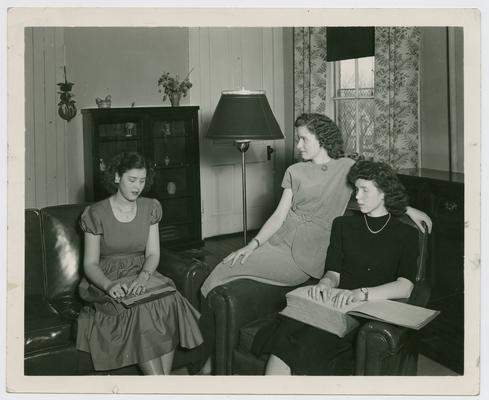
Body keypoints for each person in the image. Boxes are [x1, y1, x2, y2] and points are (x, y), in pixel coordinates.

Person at [198, 113, 431, 372]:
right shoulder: (294, 171)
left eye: (303, 139)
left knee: (222, 271)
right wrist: (252, 245)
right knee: (222, 270)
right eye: (298, 139)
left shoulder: (346, 168)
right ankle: (212, 355)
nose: (298, 146)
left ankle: (209, 360)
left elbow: (378, 183)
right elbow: (279, 215)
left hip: (308, 253)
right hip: (280, 238)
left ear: (322, 139)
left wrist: (407, 209)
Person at [254, 160, 420, 375]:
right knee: (285, 331)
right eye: (356, 189)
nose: (357, 196)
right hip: (332, 301)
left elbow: (405, 286)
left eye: (364, 190)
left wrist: (361, 294)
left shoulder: (406, 234)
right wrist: (325, 284)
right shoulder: (343, 225)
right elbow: (334, 272)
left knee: (303, 342)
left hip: (365, 310)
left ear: (384, 193)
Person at [76, 152, 203, 375]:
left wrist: (144, 276)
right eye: (132, 180)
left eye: (142, 181)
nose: (138, 187)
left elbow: (153, 253)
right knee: (142, 309)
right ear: (117, 177)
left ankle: (159, 386)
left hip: (141, 271)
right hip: (107, 277)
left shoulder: (150, 207)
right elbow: (90, 264)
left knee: (170, 299)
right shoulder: (95, 213)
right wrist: (109, 286)